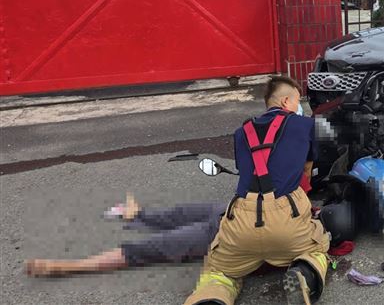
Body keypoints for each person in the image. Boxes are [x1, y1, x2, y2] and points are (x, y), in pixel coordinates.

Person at [184, 75, 330, 305]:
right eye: (296, 101)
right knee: (318, 246)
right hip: (287, 223)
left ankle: (211, 296)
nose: (298, 107)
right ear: (285, 102)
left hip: (241, 222)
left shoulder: (242, 133)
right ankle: (305, 273)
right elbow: (308, 169)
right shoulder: (306, 125)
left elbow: (246, 170)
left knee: (218, 270)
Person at [25, 193, 226, 277]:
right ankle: (138, 215)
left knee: (159, 245)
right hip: (235, 210)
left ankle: (72, 266)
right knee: (182, 213)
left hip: (237, 232)